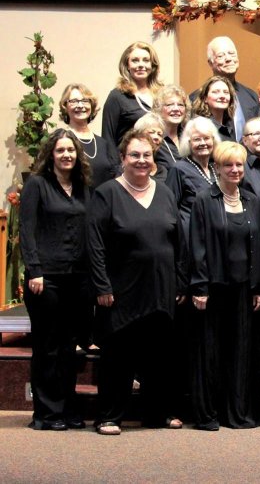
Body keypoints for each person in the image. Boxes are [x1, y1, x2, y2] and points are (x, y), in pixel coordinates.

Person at [88, 130, 186, 435]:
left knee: (158, 356)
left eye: (146, 155)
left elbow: (177, 241)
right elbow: (95, 244)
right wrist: (102, 286)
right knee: (119, 356)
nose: (141, 161)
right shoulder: (107, 193)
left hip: (160, 288)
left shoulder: (165, 192)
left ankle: (157, 413)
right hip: (121, 291)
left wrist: (180, 283)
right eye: (135, 155)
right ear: (122, 159)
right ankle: (109, 416)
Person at [188, 141, 260, 430]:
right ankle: (209, 414)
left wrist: (257, 287)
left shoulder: (252, 201)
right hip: (213, 287)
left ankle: (237, 413)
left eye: (239, 165)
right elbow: (197, 246)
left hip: (244, 288)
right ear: (217, 168)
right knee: (211, 353)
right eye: (228, 165)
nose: (234, 170)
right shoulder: (204, 200)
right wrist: (200, 287)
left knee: (240, 352)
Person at [21, 130, 92, 431]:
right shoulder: (37, 184)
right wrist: (34, 270)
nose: (67, 155)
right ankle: (46, 413)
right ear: (50, 154)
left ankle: (67, 408)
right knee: (48, 347)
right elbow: (27, 230)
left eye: (71, 150)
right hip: (45, 279)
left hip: (77, 279)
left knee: (69, 348)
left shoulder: (83, 187)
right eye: (61, 150)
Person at [166, 117, 222, 238]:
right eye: (197, 139)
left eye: (207, 138)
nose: (203, 143)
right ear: (188, 143)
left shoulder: (216, 168)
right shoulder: (179, 169)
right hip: (191, 235)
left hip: (216, 233)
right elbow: (169, 208)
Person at [102, 41, 163, 144]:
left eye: (146, 60)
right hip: (128, 158)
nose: (141, 65)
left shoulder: (162, 95)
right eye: (135, 61)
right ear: (127, 66)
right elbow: (108, 138)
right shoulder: (117, 96)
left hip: (160, 159)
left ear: (152, 65)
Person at [200, 36, 260, 139]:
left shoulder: (251, 97)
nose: (228, 59)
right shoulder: (198, 98)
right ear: (210, 63)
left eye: (232, 54)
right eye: (221, 56)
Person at [60, 83, 120, 188]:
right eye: (74, 101)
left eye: (85, 101)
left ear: (91, 106)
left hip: (102, 202)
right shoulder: (61, 140)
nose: (80, 105)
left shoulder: (102, 143)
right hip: (75, 203)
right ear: (65, 106)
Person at [152, 85, 190, 176]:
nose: (176, 109)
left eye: (180, 105)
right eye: (169, 105)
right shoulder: (153, 138)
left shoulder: (189, 137)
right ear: (159, 109)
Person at [191, 76, 238, 142]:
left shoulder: (230, 126)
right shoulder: (199, 127)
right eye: (216, 92)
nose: (222, 96)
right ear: (205, 98)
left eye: (226, 92)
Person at [132, 113, 171, 182]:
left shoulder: (163, 171)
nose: (156, 137)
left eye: (159, 134)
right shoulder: (129, 167)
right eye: (151, 132)